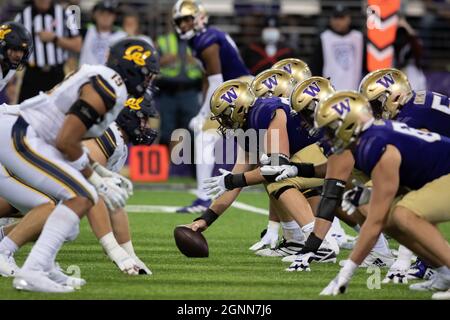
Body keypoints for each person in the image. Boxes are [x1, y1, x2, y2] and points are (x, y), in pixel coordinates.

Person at [0, 38, 158, 293]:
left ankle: (40, 264)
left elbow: (67, 142)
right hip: (21, 132)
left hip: (28, 133)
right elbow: (66, 141)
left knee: (70, 204)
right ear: (131, 69)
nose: (149, 80)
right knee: (79, 195)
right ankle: (30, 267)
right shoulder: (107, 87)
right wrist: (97, 180)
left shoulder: (104, 79)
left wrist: (100, 174)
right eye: (147, 73)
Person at [308, 91, 450, 300]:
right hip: (438, 177)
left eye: (330, 130)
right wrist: (367, 195)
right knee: (392, 220)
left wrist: (346, 273)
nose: (328, 137)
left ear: (347, 124)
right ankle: (444, 273)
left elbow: (374, 222)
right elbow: (409, 179)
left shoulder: (376, 143)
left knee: (404, 214)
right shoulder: (369, 139)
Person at [172, 0, 251, 213]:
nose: (184, 25)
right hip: (234, 89)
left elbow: (216, 81)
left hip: (238, 88)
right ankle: (204, 197)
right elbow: (208, 78)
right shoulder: (200, 40)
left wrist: (204, 113)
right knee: (255, 149)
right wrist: (202, 110)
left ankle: (203, 198)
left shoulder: (206, 40)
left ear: (198, 17)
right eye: (180, 21)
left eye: (187, 19)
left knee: (206, 138)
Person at [15, 0, 82, 102]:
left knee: (58, 113)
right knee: (24, 112)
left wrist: (55, 39)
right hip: (32, 74)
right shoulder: (22, 16)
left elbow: (78, 45)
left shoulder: (66, 13)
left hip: (56, 74)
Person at [155, 22, 202, 148]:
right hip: (168, 92)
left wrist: (196, 61)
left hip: (190, 92)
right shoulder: (163, 41)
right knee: (166, 133)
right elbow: (151, 65)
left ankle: (191, 167)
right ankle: (165, 167)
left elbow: (208, 66)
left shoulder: (199, 41)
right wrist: (161, 61)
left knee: (192, 132)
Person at [311, 4, 364, 90]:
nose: (338, 22)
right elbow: (315, 67)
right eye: (335, 18)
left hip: (355, 91)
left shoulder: (358, 38)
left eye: (342, 18)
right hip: (330, 92)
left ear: (348, 19)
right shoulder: (324, 38)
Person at [79, 0, 126, 66]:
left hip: (110, 75)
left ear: (114, 17)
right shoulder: (86, 31)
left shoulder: (122, 37)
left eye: (109, 14)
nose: (105, 17)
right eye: (102, 13)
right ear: (94, 14)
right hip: (86, 74)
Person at [0, 21, 32, 93]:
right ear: (2, 46)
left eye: (22, 51)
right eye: (15, 49)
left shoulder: (10, 65)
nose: (18, 55)